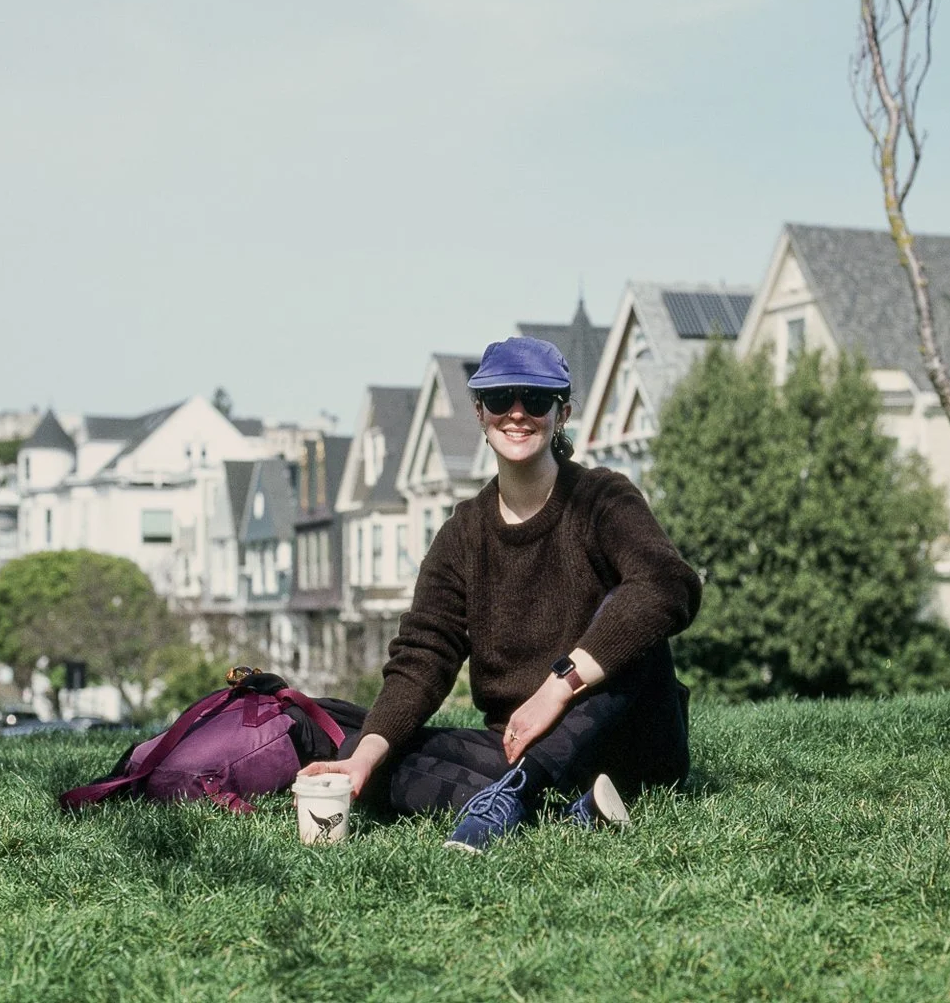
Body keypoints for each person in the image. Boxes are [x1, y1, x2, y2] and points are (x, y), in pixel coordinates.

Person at [298, 335, 701, 852]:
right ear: (480, 413)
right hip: (515, 743)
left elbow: (669, 584)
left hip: (628, 745)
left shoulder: (603, 497)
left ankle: (515, 796)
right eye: (500, 398)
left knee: (628, 616)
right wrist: (365, 755)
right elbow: (424, 654)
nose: (517, 413)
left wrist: (558, 687)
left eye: (535, 400)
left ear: (563, 412)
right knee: (375, 754)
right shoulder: (462, 534)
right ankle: (562, 810)